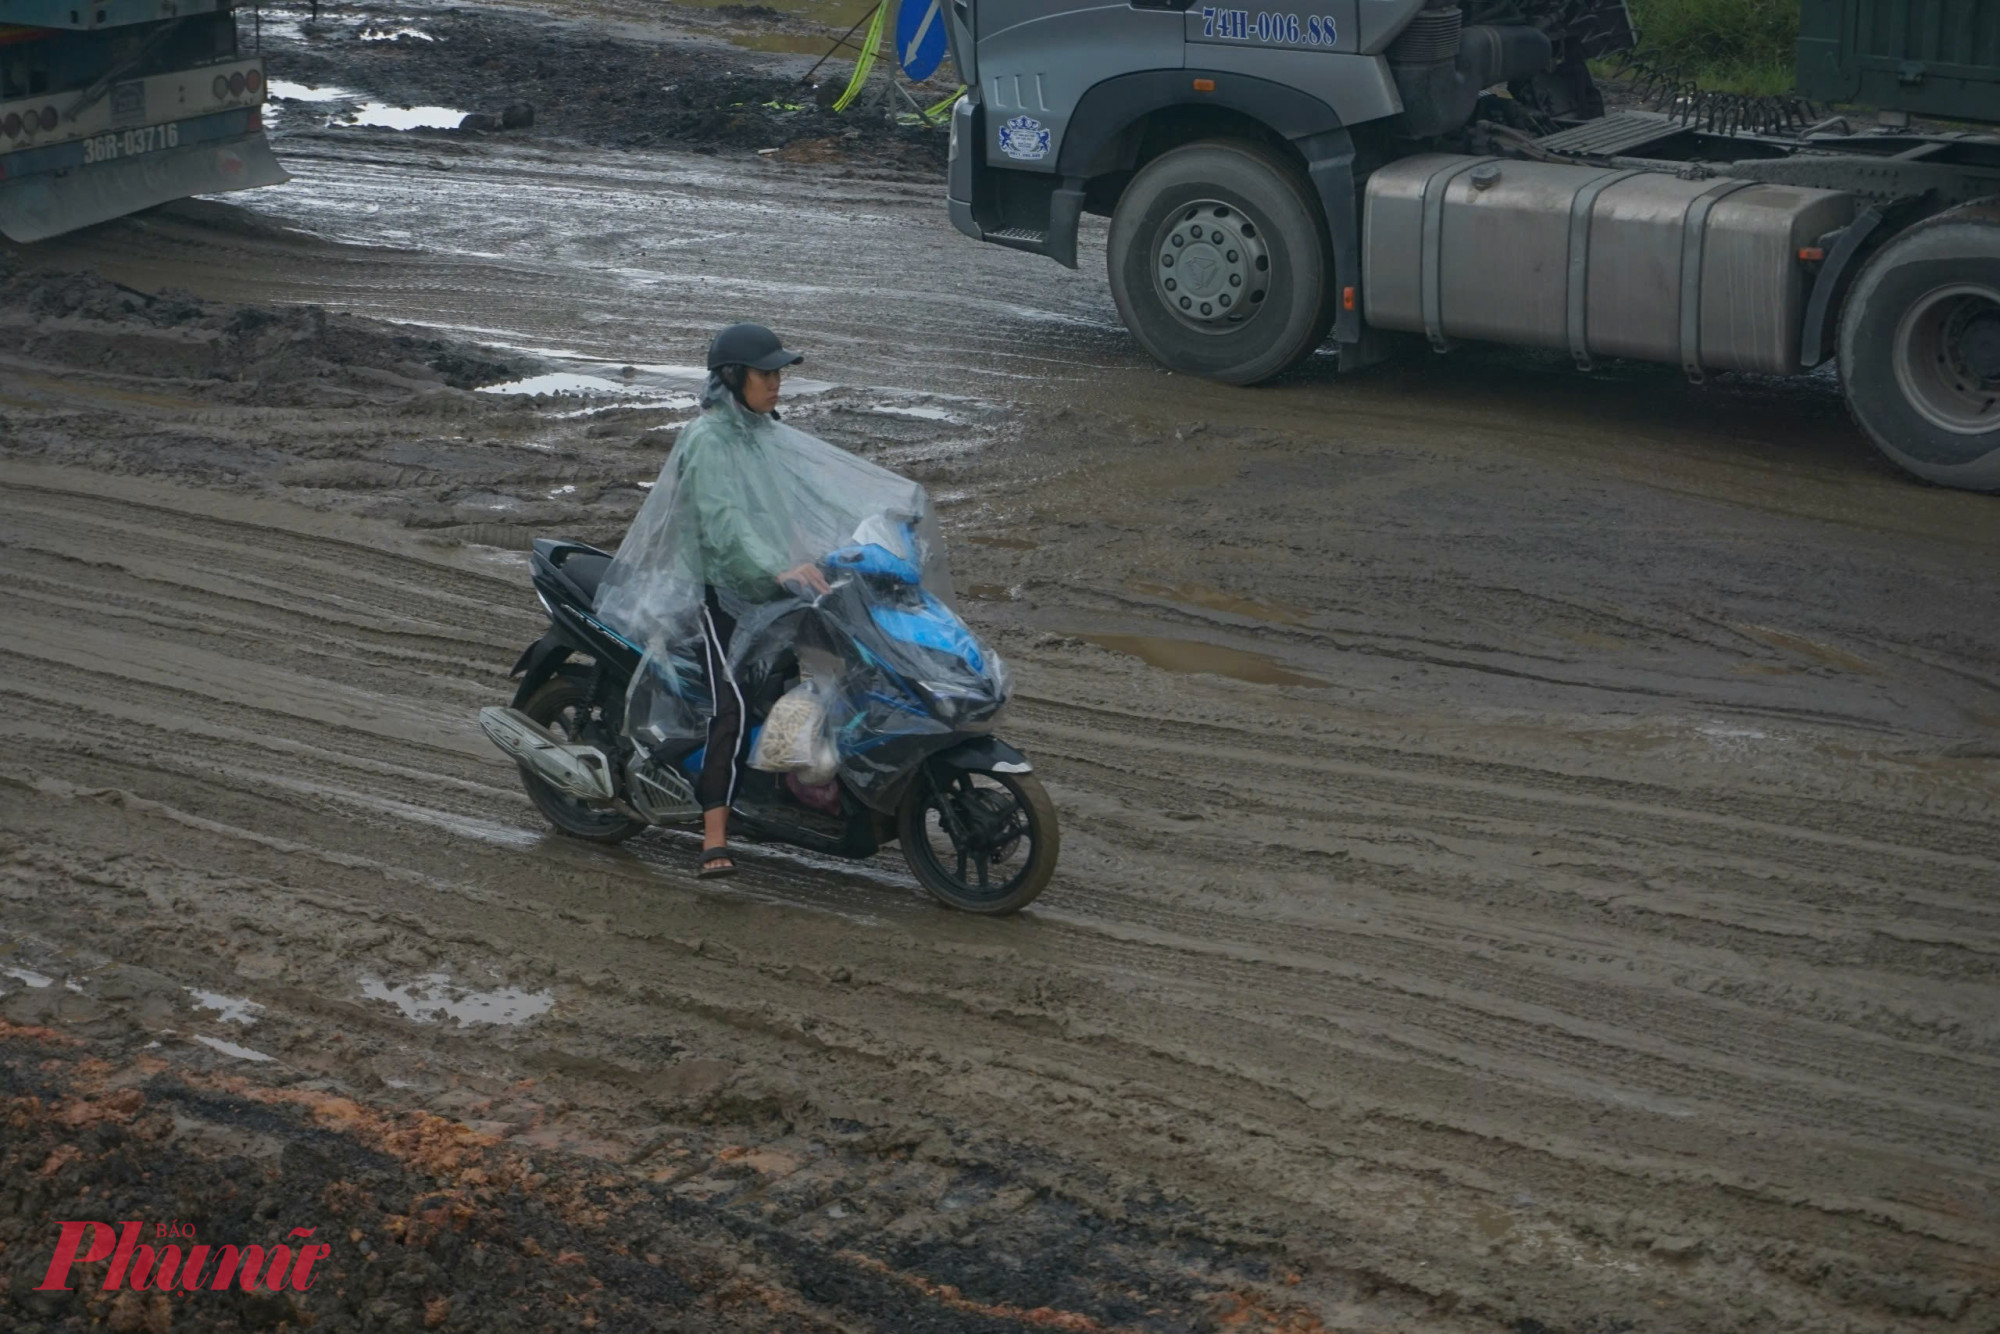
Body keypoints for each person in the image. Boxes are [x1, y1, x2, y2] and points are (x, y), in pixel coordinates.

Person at [679, 323, 826, 878]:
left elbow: (809, 495)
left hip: (772, 588)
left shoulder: (763, 432)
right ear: (733, 378)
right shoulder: (709, 439)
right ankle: (713, 835)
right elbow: (724, 527)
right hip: (722, 593)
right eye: (766, 373)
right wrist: (775, 568)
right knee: (734, 705)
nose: (776, 383)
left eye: (779, 373)